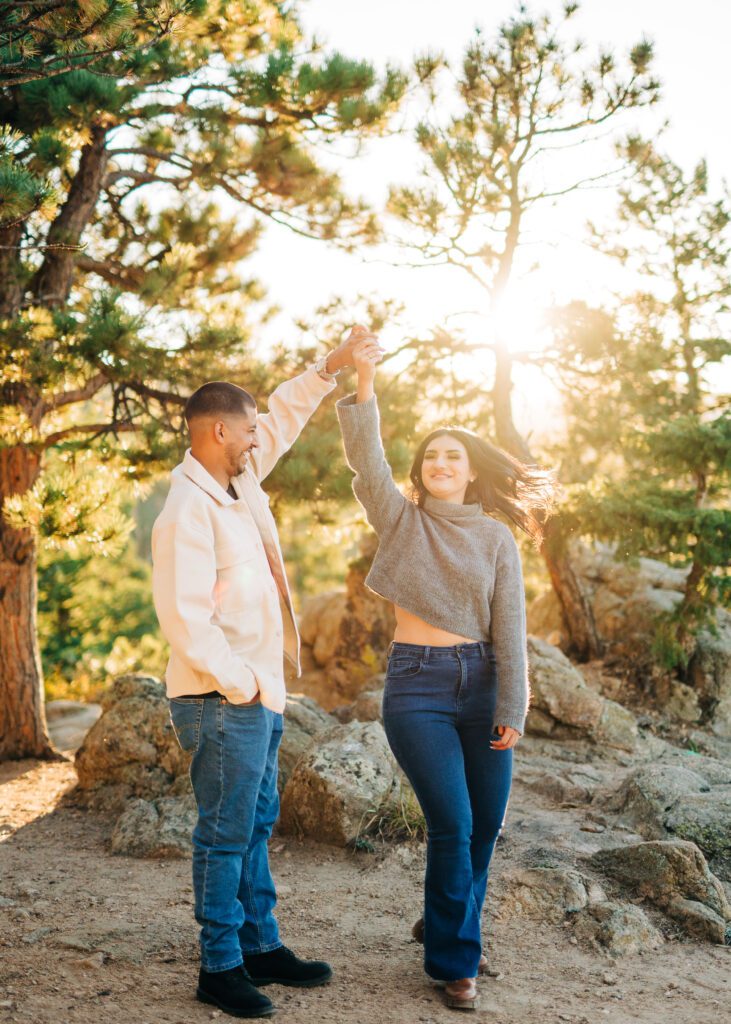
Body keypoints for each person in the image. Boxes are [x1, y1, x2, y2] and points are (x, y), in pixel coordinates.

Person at [336, 326, 556, 1012]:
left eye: (452, 455)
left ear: (469, 471)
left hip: (482, 683)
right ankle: (455, 961)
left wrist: (511, 708)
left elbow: (511, 628)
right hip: (417, 689)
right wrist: (366, 384)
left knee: (484, 826)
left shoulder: (493, 536)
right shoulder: (399, 520)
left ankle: (444, 919)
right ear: (421, 470)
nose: (440, 461)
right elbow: (366, 463)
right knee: (452, 824)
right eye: (430, 454)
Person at [151, 338, 357, 1019]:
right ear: (217, 431)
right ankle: (220, 966)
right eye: (245, 430)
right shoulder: (188, 510)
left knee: (256, 822)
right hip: (221, 698)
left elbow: (283, 417)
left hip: (256, 694)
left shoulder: (238, 482)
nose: (255, 439)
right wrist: (240, 684)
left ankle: (260, 945)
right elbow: (185, 619)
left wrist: (328, 369)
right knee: (224, 833)